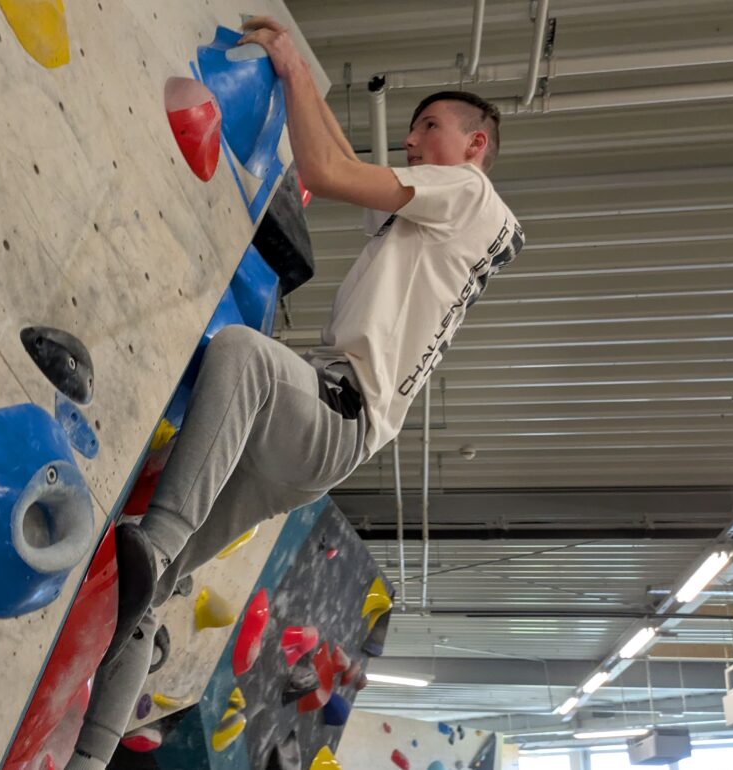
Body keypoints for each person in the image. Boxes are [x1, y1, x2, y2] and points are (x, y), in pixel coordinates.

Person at [65, 15, 524, 770]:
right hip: (326, 434)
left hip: (332, 411)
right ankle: (91, 756)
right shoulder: (453, 217)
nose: (411, 142)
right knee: (147, 595)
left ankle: (157, 542)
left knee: (242, 356)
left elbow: (331, 171)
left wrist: (289, 61)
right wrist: (298, 80)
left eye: (429, 128)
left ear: (476, 145)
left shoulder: (468, 194)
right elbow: (341, 159)